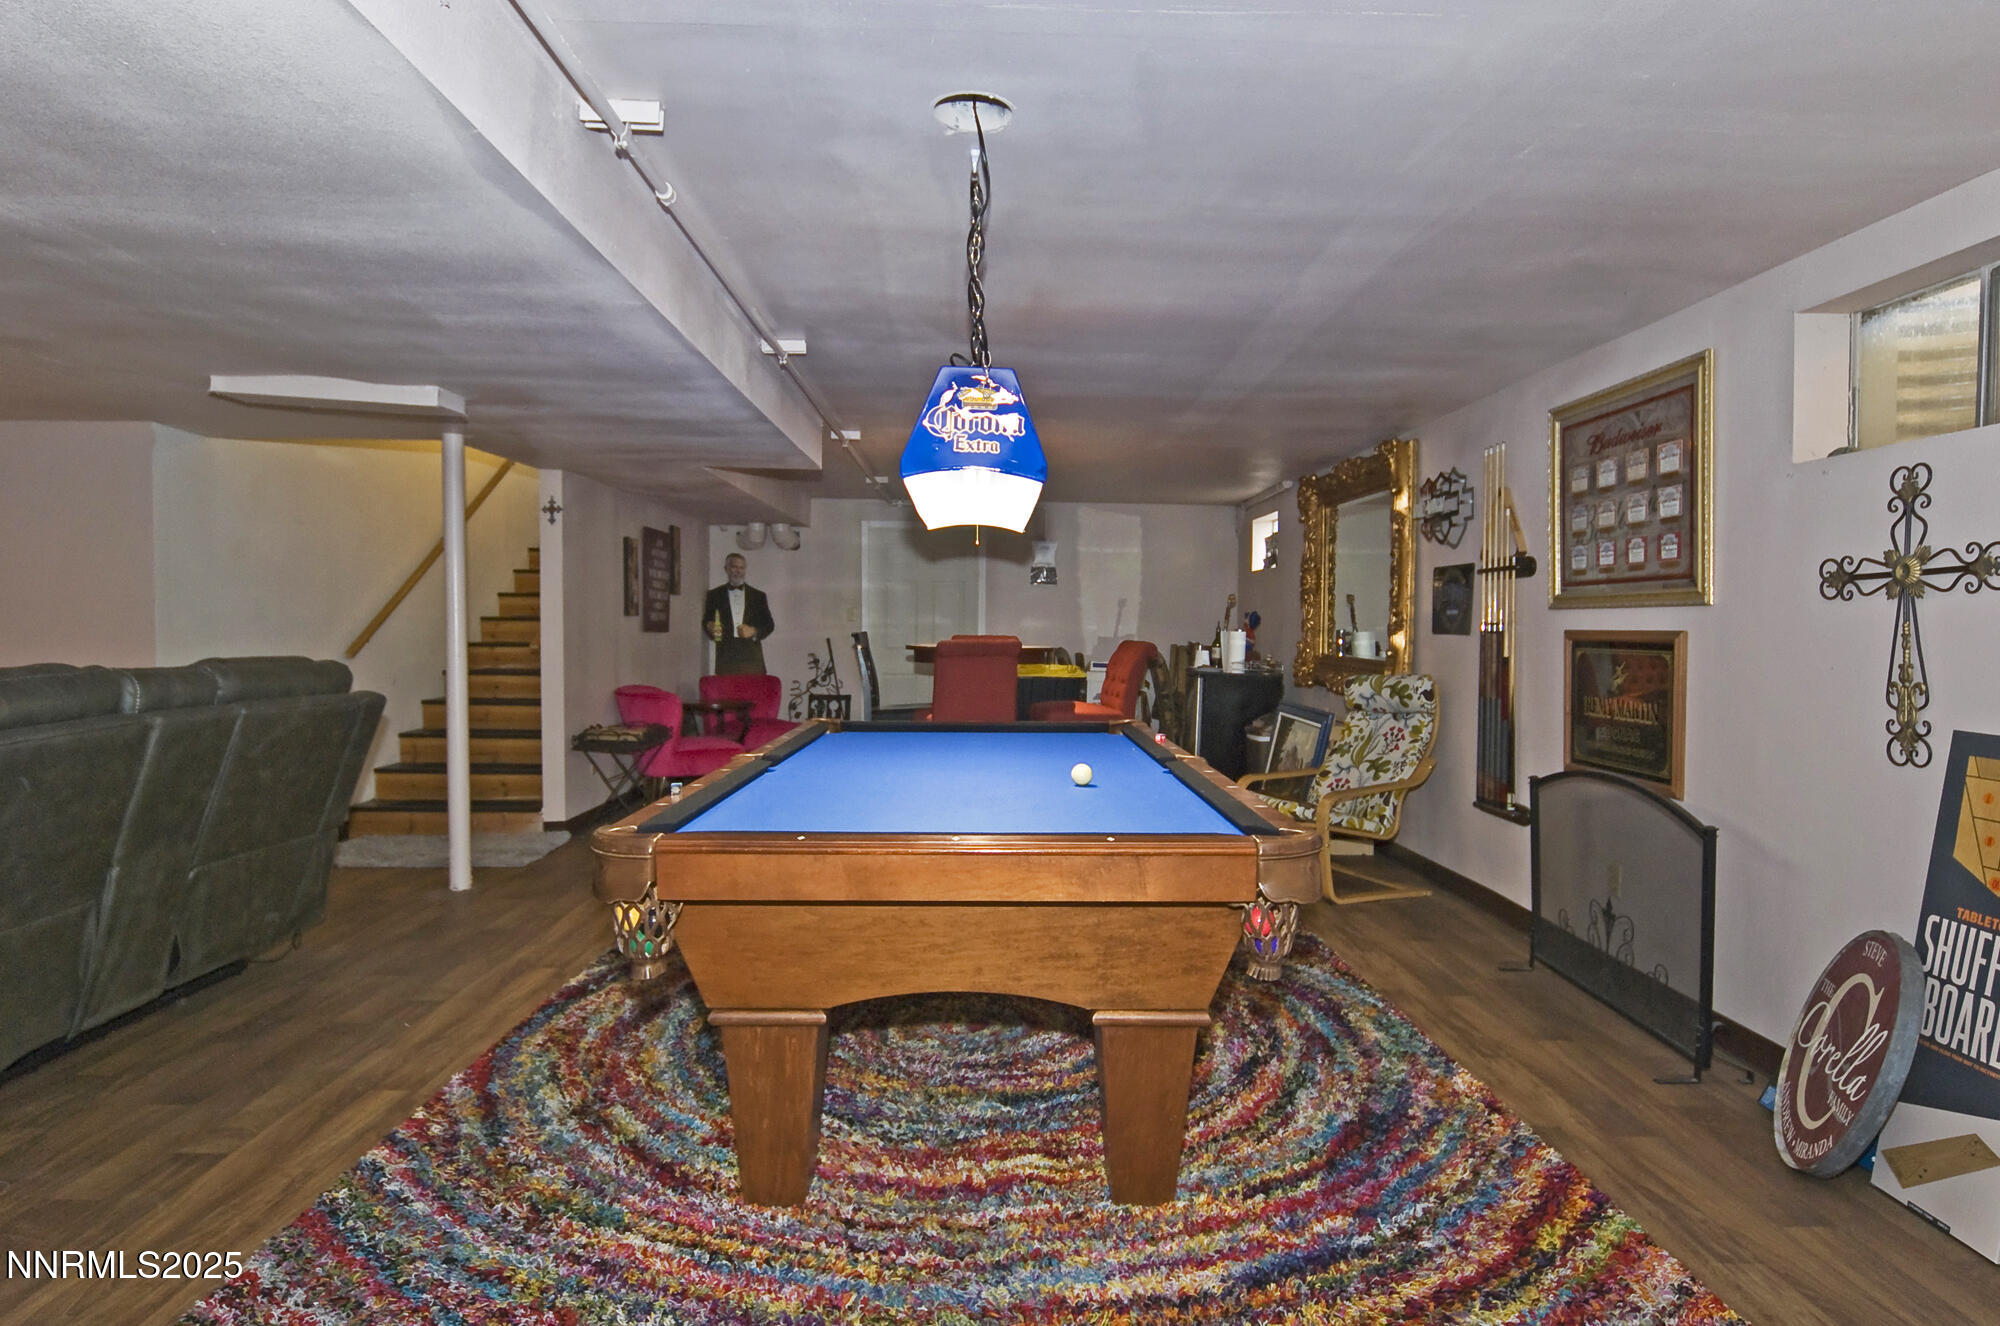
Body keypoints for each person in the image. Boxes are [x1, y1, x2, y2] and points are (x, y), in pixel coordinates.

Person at [703, 553, 775, 675]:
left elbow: (769, 625)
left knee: (752, 693)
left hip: (752, 658)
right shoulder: (714, 595)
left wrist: (753, 631)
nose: (738, 571)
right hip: (725, 657)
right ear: (726, 569)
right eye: (734, 567)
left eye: (741, 568)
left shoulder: (758, 596)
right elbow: (707, 620)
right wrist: (710, 626)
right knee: (727, 693)